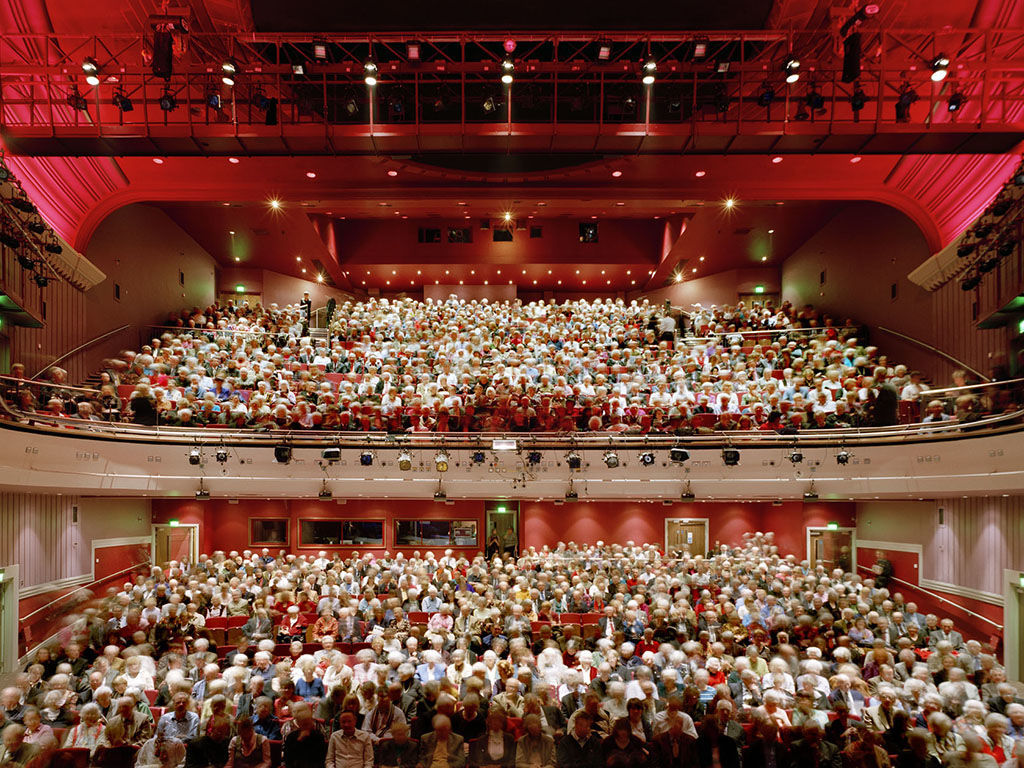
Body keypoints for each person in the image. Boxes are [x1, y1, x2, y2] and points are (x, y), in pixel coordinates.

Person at [282, 702, 327, 768]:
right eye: (304, 724)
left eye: (309, 723)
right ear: (299, 725)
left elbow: (321, 758)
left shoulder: (318, 736)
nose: (308, 726)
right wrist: (299, 740)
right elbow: (288, 758)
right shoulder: (291, 736)